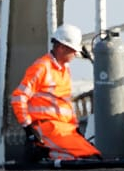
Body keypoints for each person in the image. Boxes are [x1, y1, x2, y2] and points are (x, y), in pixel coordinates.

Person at [9, 24, 102, 163]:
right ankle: (46, 154)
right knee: (87, 157)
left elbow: (64, 104)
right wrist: (29, 128)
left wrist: (75, 128)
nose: (75, 54)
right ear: (61, 47)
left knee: (95, 155)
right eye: (73, 50)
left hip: (63, 129)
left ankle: (46, 154)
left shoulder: (64, 70)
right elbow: (18, 97)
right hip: (47, 128)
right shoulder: (41, 68)